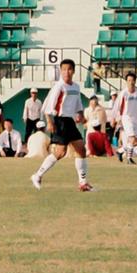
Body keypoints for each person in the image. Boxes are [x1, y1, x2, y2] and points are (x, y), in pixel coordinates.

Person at [31, 58, 94, 191]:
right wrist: (49, 121)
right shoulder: (59, 87)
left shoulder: (76, 87)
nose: (66, 72)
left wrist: (81, 115)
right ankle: (37, 175)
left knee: (81, 150)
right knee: (60, 153)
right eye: (64, 69)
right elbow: (49, 104)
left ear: (73, 71)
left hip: (70, 122)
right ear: (61, 71)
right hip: (60, 121)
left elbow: (78, 103)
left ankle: (83, 183)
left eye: (69, 69)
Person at [112, 72, 137, 165]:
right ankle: (129, 158)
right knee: (132, 139)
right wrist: (113, 118)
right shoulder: (123, 93)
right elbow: (116, 106)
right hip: (126, 118)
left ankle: (120, 151)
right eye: (129, 80)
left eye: (132, 80)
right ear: (126, 82)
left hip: (135, 119)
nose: (131, 82)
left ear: (135, 81)